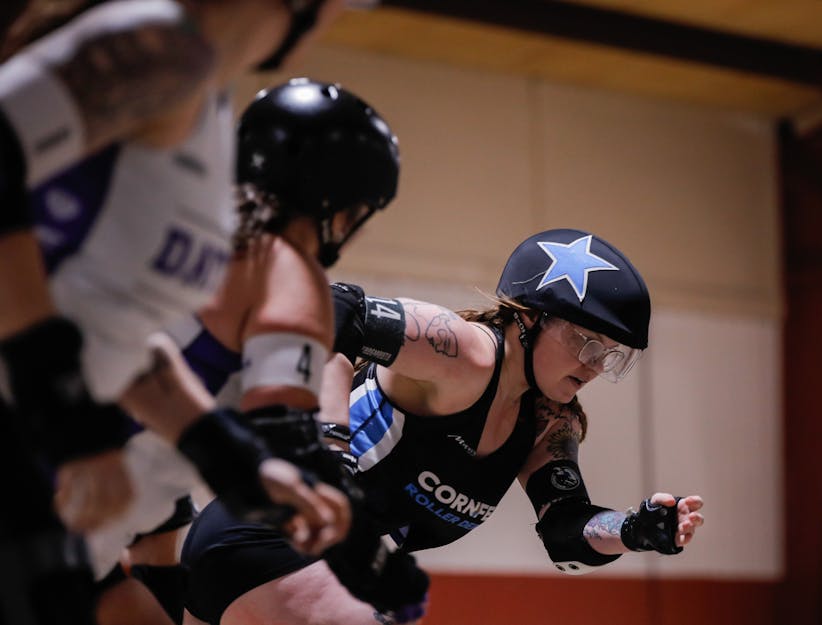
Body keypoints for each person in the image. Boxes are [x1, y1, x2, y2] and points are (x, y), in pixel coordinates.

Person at [0, 2, 351, 624]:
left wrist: (227, 455)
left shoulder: (211, 111)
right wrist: (61, 401)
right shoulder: (164, 47)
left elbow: (118, 328)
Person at [180, 228, 706, 625]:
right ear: (528, 316)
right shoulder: (466, 355)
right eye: (585, 342)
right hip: (265, 534)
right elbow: (328, 312)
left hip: (316, 566)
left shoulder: (549, 419)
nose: (594, 365)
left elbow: (565, 532)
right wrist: (328, 451)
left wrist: (632, 531)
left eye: (609, 355)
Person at [87, 76, 423, 625]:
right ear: (337, 205)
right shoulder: (286, 272)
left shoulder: (179, 229)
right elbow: (289, 443)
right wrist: (370, 557)